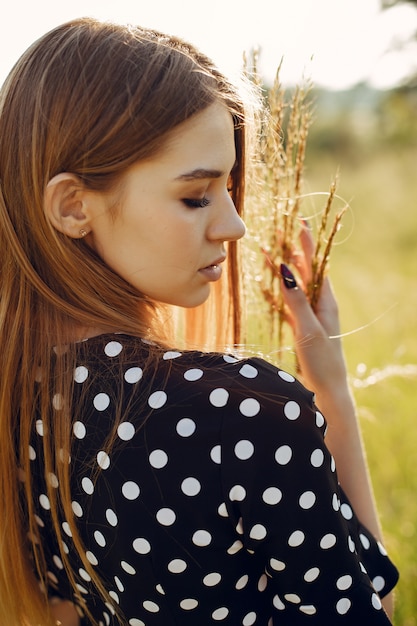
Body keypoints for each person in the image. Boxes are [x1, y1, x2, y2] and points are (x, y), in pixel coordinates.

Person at [0, 17, 398, 626]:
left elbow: (61, 609)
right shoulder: (239, 412)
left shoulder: (20, 396)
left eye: (230, 189)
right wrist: (333, 395)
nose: (234, 226)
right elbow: (370, 610)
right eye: (196, 196)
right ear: (74, 206)